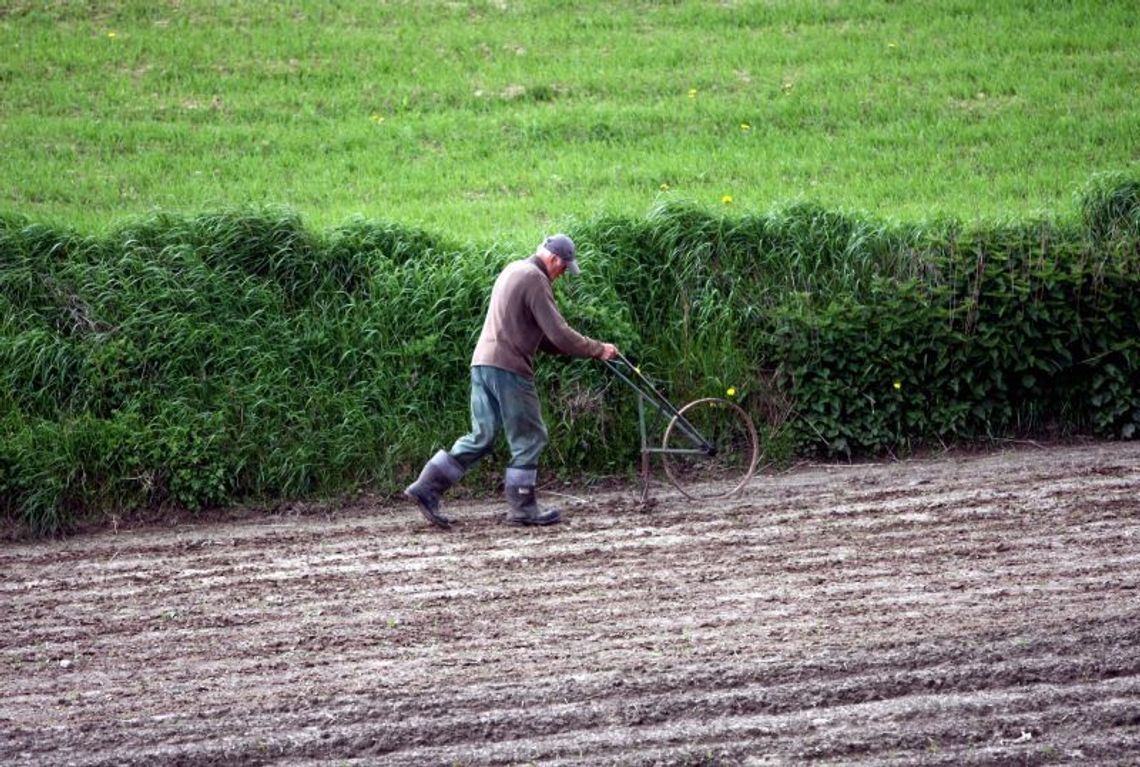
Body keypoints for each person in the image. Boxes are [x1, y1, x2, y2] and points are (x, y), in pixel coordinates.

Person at [404, 233, 619, 529]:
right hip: (509, 368)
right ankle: (523, 506)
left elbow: (545, 338)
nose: (562, 274)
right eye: (563, 268)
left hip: (483, 363)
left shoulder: (514, 269)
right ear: (553, 259)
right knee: (530, 436)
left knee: (482, 436)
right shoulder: (535, 279)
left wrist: (582, 351)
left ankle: (427, 487)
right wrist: (598, 349)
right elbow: (559, 332)